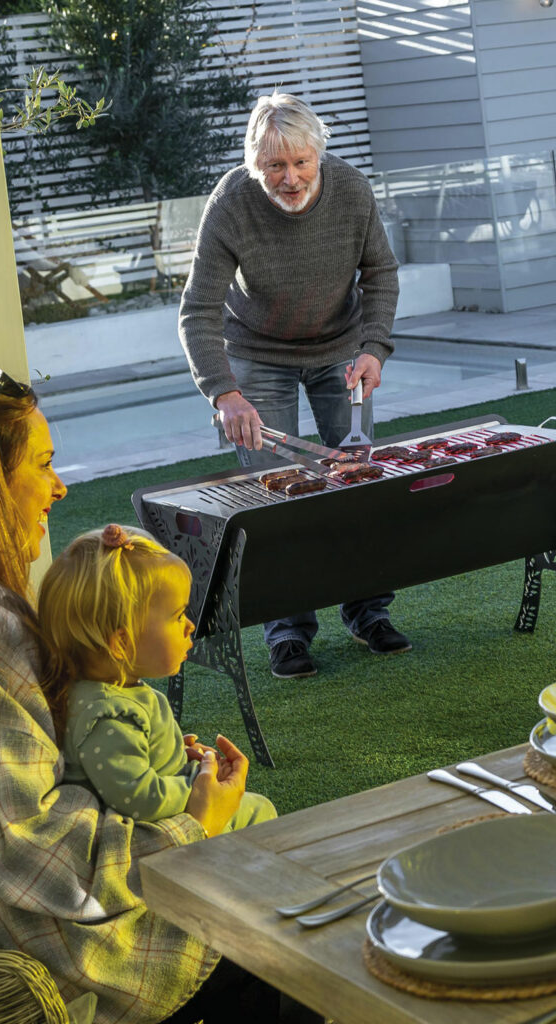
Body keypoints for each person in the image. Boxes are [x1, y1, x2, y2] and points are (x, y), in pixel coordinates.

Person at [0, 371, 313, 1024]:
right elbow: (26, 848)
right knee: (274, 932)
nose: (60, 486)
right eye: (43, 465)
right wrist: (194, 821)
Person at [179, 90, 411, 681]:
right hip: (258, 355)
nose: (290, 178)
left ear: (319, 156)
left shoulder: (352, 191)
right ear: (255, 165)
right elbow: (199, 308)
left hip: (341, 351)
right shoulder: (230, 204)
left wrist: (373, 349)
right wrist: (223, 392)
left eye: (301, 162)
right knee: (273, 496)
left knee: (357, 482)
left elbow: (380, 272)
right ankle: (287, 632)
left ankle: (367, 612)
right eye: (275, 166)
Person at [38, 522, 276, 830]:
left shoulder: (114, 693)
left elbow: (132, 763)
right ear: (121, 643)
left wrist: (173, 753)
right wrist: (199, 784)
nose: (189, 626)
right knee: (259, 812)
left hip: (170, 807)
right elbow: (139, 797)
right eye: (177, 616)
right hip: (158, 831)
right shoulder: (107, 716)